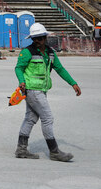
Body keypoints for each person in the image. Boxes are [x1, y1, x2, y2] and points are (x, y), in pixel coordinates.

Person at [14, 23, 81, 161]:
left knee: (30, 118)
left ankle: (21, 149)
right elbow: (18, 68)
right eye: (35, 38)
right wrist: (21, 81)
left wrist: (73, 83)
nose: (38, 41)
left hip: (42, 90)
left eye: (40, 38)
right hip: (32, 90)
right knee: (47, 118)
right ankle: (54, 151)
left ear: (45, 37)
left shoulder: (50, 53)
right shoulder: (27, 52)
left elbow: (60, 69)